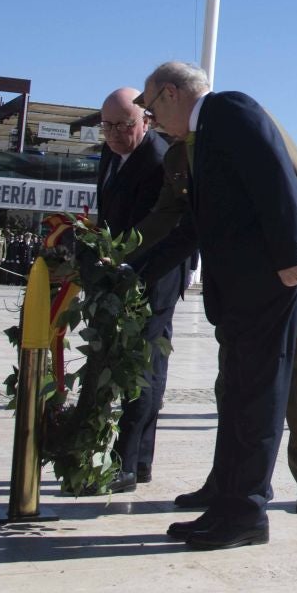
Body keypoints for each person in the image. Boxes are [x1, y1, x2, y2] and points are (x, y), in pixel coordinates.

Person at [136, 61, 297, 550]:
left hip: (268, 282)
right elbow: (195, 226)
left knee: (259, 399)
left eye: (150, 104)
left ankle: (245, 515)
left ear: (173, 93)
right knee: (240, 398)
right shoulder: (200, 141)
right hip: (243, 291)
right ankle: (227, 502)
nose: (150, 117)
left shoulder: (229, 108)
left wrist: (293, 258)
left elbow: (276, 176)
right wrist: (134, 270)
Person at [92, 87, 182, 492]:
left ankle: (127, 463)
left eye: (123, 126)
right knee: (131, 363)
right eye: (106, 126)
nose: (112, 134)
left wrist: (128, 265)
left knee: (142, 367)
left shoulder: (160, 160)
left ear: (145, 121)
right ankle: (137, 460)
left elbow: (165, 229)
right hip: (118, 271)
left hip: (153, 276)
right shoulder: (111, 152)